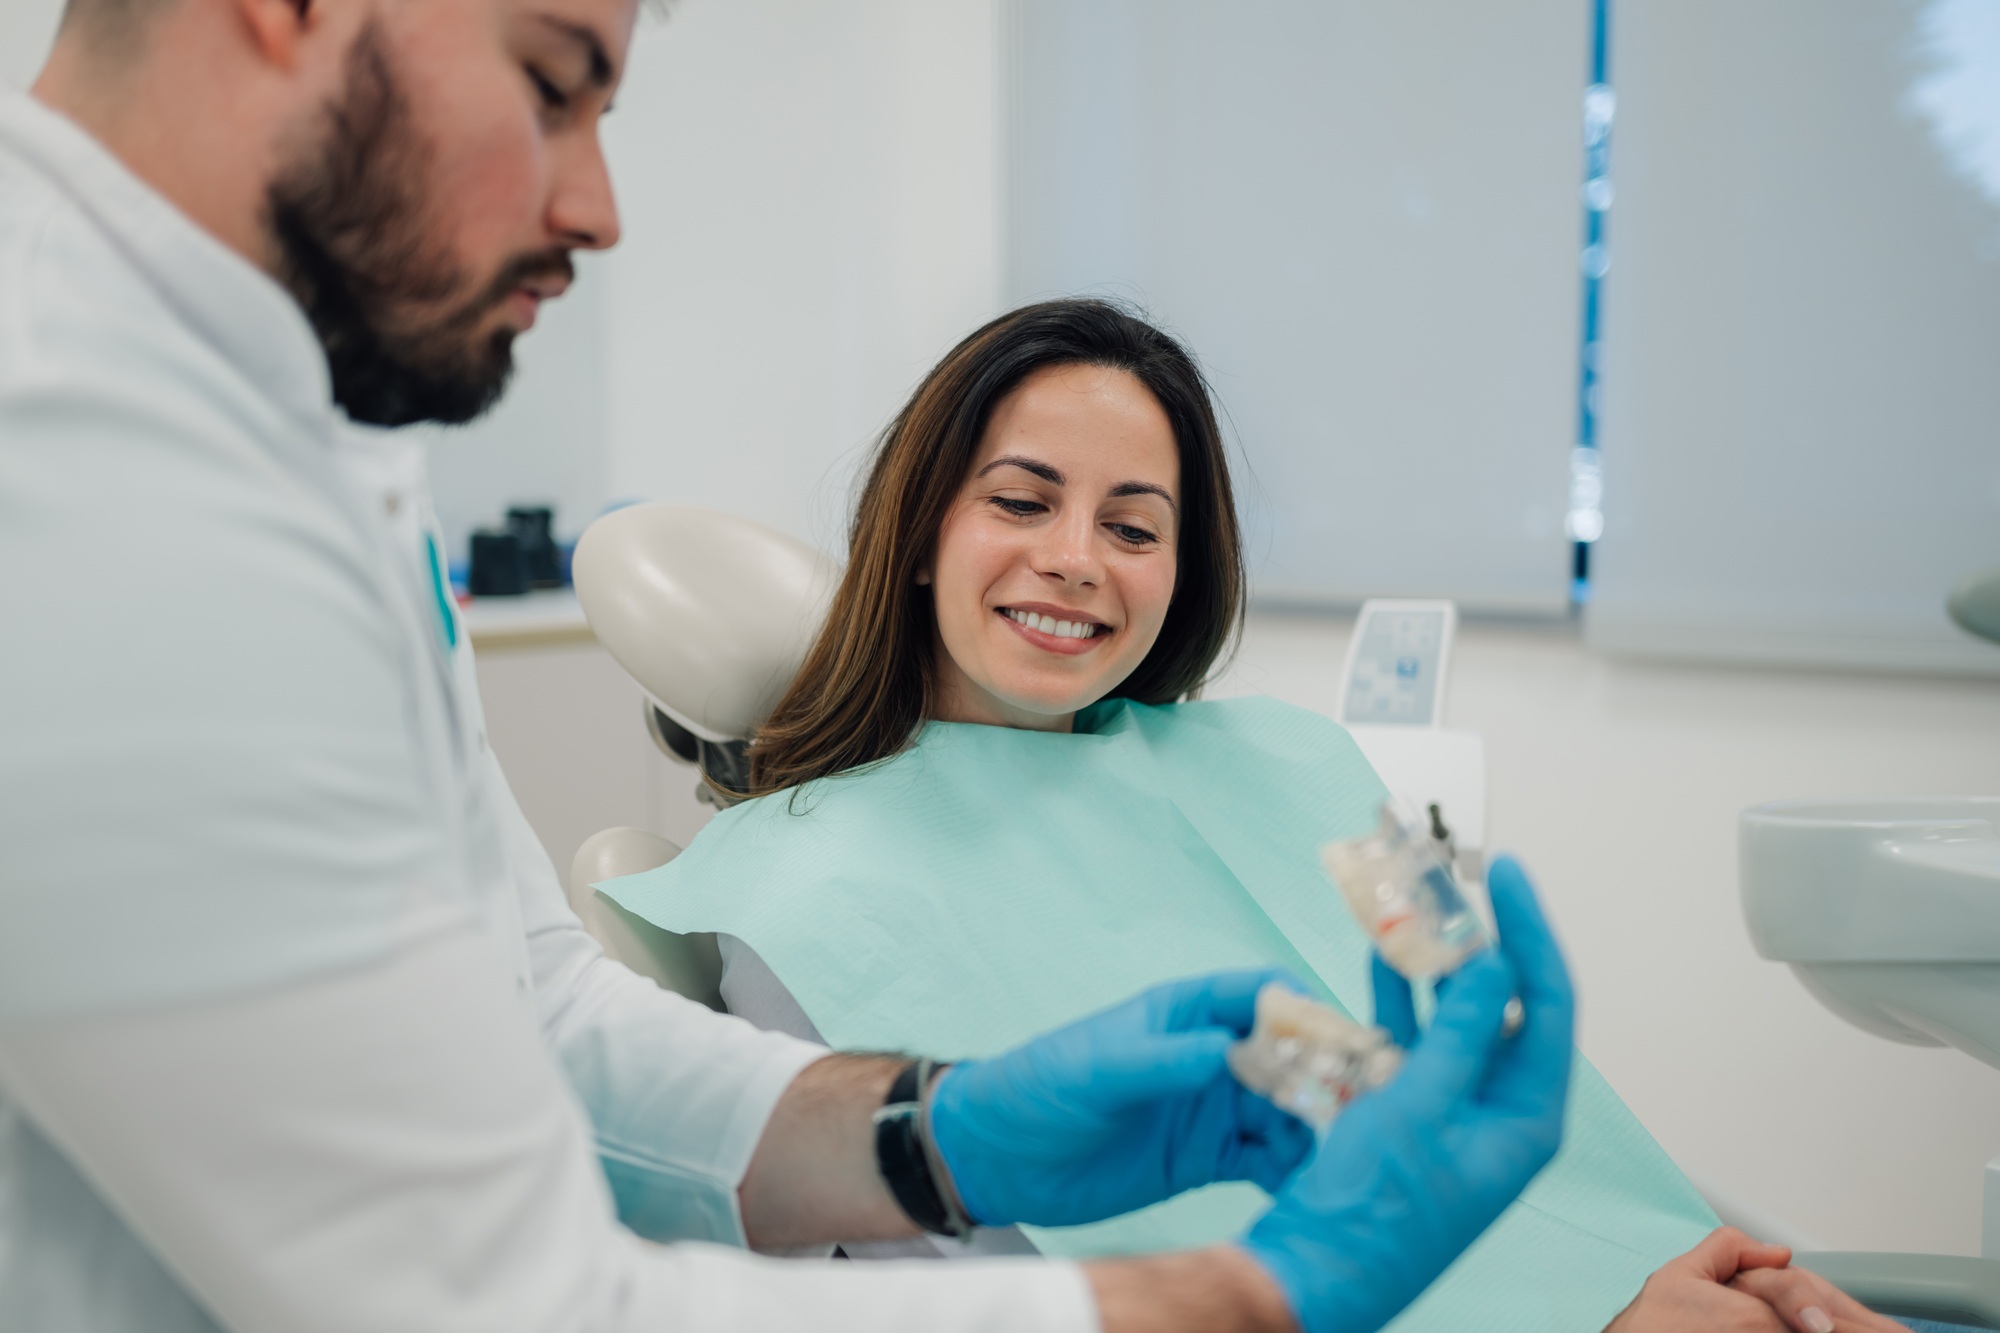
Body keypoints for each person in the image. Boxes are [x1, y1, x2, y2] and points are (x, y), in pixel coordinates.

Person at [0, 1, 1584, 1331]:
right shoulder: (84, 479)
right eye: (554, 82)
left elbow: (533, 1007)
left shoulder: (284, 429)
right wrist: (1250, 1294)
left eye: (1133, 522)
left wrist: (927, 1127)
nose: (601, 206)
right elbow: (513, 1307)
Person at [603, 300, 1933, 1333]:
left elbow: (1491, 1073)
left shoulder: (1298, 761)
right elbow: (999, 1267)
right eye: (1021, 501)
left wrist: (1702, 1266)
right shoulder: (793, 890)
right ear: (917, 530)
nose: (1075, 557)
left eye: (1135, 526)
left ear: (1184, 572)